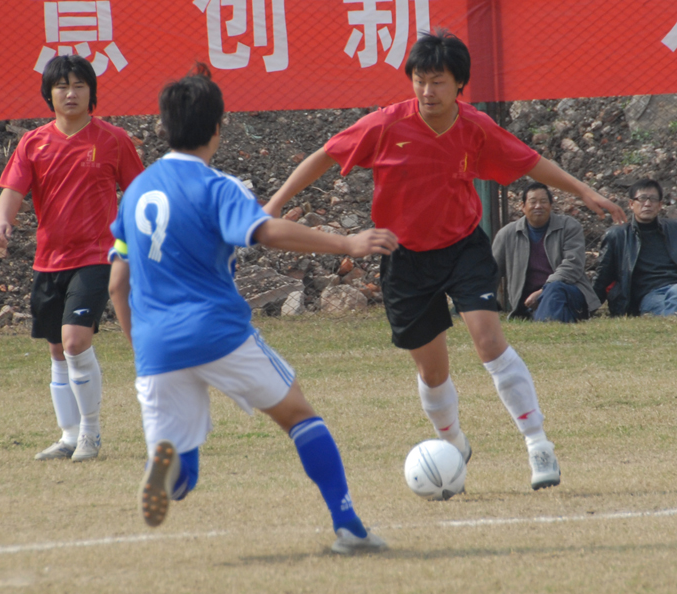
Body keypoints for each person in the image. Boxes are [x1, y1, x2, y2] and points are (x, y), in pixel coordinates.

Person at [265, 30, 627, 491]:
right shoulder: (385, 125)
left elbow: (531, 161)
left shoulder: (475, 126)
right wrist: (274, 204)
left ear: (459, 85)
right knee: (432, 372)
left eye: (437, 81)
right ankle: (452, 443)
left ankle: (538, 443)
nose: (427, 91)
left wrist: (584, 190)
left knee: (488, 341)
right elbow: (324, 156)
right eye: (419, 80)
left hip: (462, 248)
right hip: (403, 258)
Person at [107, 64, 397, 554]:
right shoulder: (220, 187)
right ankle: (349, 527)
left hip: (156, 344)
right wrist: (347, 242)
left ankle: (166, 464)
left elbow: (117, 283)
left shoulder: (134, 192)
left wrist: (141, 345)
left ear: (163, 127)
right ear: (218, 128)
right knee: (299, 415)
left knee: (183, 475)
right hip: (216, 330)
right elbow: (266, 230)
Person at [0, 55, 144, 462]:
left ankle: (90, 434)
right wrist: (3, 222)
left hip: (97, 256)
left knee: (76, 341)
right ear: (49, 94)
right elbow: (13, 189)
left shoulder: (113, 139)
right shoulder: (33, 142)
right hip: (49, 260)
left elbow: (140, 191)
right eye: (62, 86)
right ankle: (68, 435)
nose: (71, 93)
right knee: (57, 349)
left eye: (79, 85)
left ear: (92, 92)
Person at [492, 182, 600, 322]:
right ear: (522, 206)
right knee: (558, 313)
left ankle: (545, 323)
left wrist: (542, 292)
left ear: (551, 205)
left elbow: (573, 265)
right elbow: (491, 272)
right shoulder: (507, 234)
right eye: (533, 202)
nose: (538, 206)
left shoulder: (569, 227)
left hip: (567, 293)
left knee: (555, 289)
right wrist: (478, 303)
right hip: (527, 304)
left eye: (543, 201)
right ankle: (550, 321)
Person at [593, 179, 677, 316]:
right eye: (642, 198)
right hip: (649, 295)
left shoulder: (674, 229)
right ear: (631, 204)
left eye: (653, 199)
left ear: (660, 205)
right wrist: (586, 310)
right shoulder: (618, 235)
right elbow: (602, 277)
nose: (647, 204)